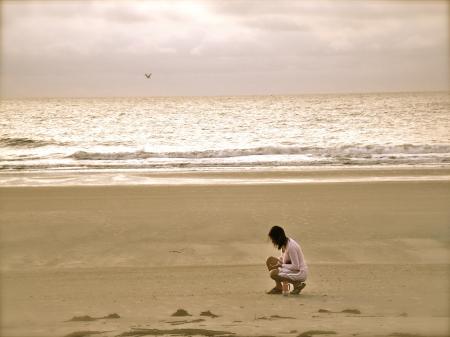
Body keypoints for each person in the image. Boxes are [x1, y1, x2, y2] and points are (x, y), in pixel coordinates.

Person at [266, 225, 308, 295]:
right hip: (291, 269)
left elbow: (296, 266)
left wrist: (281, 265)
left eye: (273, 239)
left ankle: (297, 284)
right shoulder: (284, 244)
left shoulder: (291, 247)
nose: (273, 241)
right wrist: (279, 263)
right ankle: (279, 287)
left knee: (273, 274)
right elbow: (284, 259)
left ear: (278, 238)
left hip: (300, 272)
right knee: (270, 260)